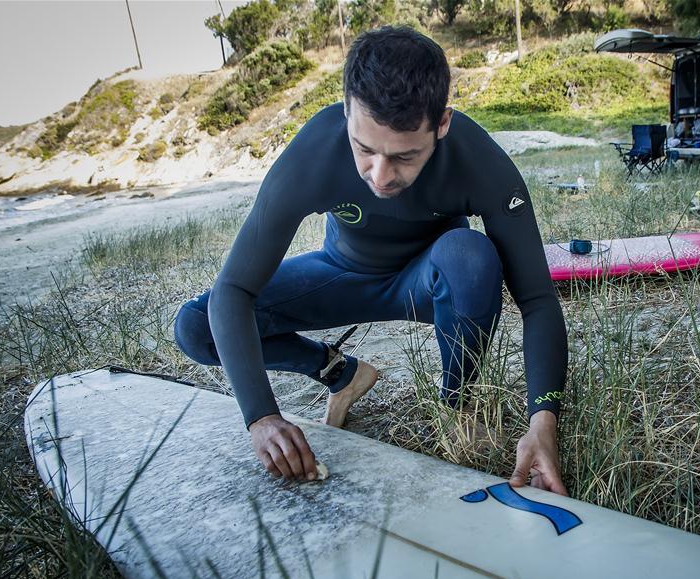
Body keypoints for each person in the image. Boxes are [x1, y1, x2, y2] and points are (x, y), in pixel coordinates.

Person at [174, 26, 569, 496]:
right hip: (341, 275)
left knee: (470, 254)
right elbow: (234, 291)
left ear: (442, 124)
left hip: (429, 281)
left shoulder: (477, 161)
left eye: (405, 156)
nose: (380, 176)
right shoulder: (317, 149)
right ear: (346, 110)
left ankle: (456, 403)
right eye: (364, 149)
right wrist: (261, 416)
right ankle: (339, 373)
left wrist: (543, 422)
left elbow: (538, 301)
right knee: (195, 326)